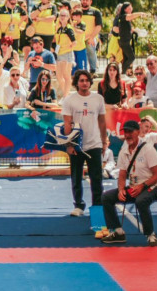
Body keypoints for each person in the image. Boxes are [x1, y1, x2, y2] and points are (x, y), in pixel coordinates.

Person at [100, 120, 157, 246]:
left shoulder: (148, 149)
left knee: (141, 201)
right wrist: (120, 190)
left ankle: (150, 234)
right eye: (125, 132)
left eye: (130, 132)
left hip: (153, 186)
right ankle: (118, 232)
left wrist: (142, 186)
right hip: (134, 187)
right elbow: (122, 174)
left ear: (138, 132)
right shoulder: (124, 151)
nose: (127, 135)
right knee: (106, 197)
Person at [61, 70, 107, 217]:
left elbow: (102, 122)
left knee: (96, 178)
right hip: (76, 145)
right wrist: (69, 144)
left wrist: (104, 141)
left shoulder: (98, 99)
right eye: (81, 80)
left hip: (94, 144)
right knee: (76, 176)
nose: (84, 83)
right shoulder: (69, 100)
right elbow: (67, 124)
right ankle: (79, 205)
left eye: (87, 80)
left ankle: (97, 208)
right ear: (77, 83)